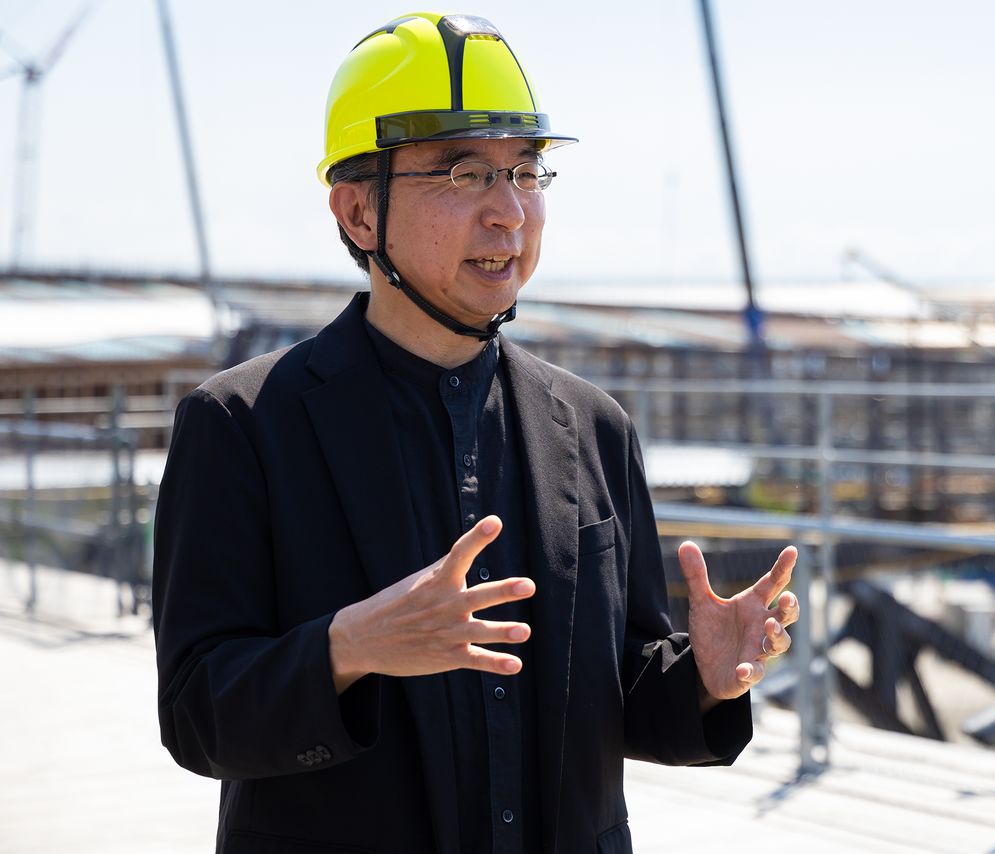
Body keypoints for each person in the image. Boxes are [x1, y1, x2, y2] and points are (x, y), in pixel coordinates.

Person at [153, 12, 799, 854]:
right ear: (357, 211)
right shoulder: (241, 425)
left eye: (526, 170)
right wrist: (346, 650)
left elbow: (624, 697)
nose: (509, 212)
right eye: (462, 172)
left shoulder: (594, 427)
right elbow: (198, 716)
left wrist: (706, 682)